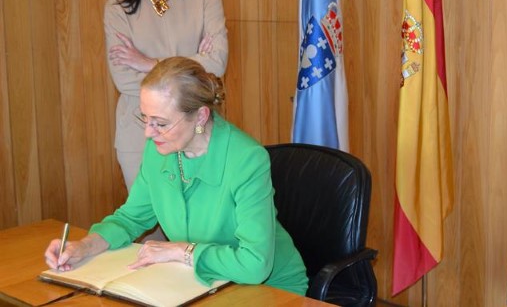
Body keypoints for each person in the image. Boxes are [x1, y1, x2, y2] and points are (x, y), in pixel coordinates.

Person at [44, 57, 309, 296]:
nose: (149, 133)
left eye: (160, 123)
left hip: (269, 289)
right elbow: (130, 219)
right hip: (202, 283)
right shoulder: (159, 150)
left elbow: (255, 265)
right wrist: (84, 247)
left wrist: (183, 251)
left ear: (200, 117)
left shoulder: (246, 160)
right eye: (145, 118)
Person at [105, 0, 228, 191]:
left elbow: (218, 64)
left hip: (198, 127)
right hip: (140, 132)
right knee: (151, 227)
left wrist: (148, 63)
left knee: (201, 225)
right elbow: (124, 78)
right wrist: (195, 63)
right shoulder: (117, 7)